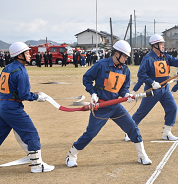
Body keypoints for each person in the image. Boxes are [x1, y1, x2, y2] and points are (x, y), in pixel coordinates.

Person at [65, 40, 152, 167]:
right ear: (116, 54)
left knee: (132, 128)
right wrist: (93, 93)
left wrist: (126, 95)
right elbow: (87, 78)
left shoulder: (126, 70)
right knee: (91, 133)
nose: (126, 59)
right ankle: (71, 155)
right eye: (124, 56)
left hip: (116, 106)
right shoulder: (101, 64)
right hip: (101, 106)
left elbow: (123, 89)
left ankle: (142, 155)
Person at [124, 34, 178, 142]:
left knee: (172, 108)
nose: (163, 46)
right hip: (152, 90)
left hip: (165, 89)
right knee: (142, 112)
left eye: (162, 44)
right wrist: (152, 82)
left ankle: (167, 133)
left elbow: (177, 61)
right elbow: (141, 75)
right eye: (160, 44)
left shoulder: (165, 56)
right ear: (154, 45)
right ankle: (129, 131)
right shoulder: (148, 58)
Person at [0, 42, 54, 173]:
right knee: (31, 134)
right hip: (12, 107)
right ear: (20, 55)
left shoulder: (7, 68)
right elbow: (23, 94)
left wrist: (33, 94)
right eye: (27, 52)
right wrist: (37, 97)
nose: (30, 55)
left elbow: (12, 89)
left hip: (3, 105)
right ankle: (37, 165)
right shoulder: (21, 71)